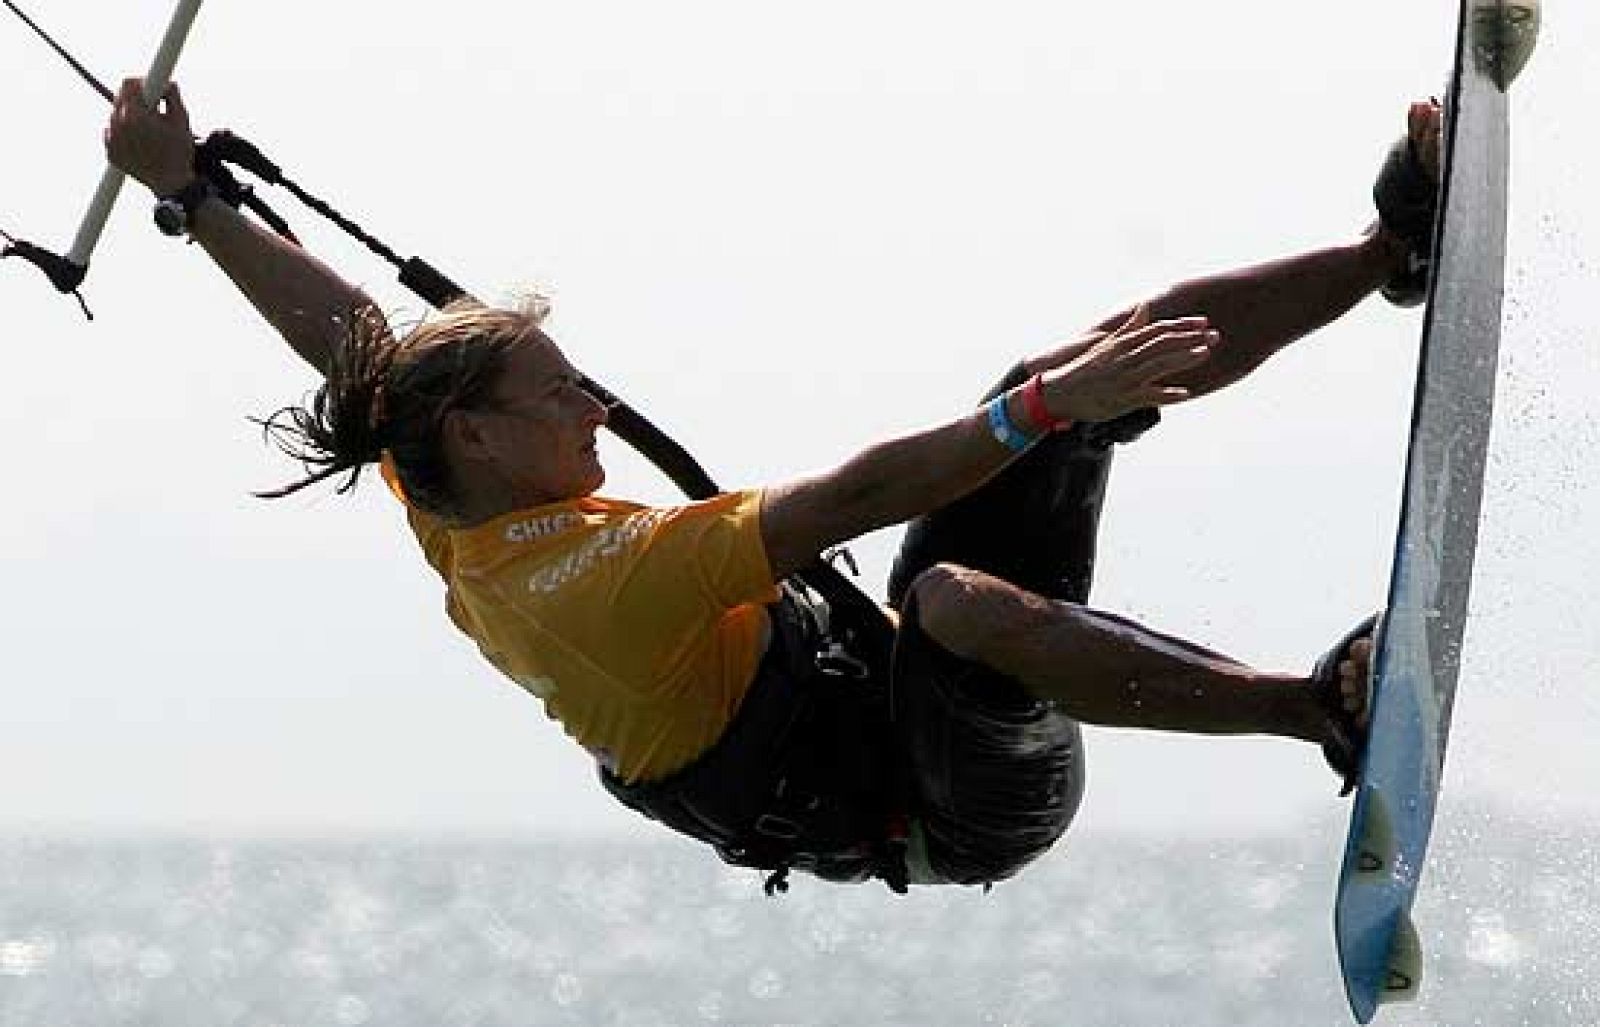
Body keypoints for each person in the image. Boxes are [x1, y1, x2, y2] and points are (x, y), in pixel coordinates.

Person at [105, 79, 1440, 893]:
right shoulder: (606, 586)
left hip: (904, 678)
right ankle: (1314, 710)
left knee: (1053, 383)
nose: (593, 407)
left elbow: (349, 341)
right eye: (558, 394)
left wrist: (191, 197)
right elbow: (855, 496)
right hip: (950, 808)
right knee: (974, 555)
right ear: (484, 436)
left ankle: (1388, 252)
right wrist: (1044, 414)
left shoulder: (451, 495)